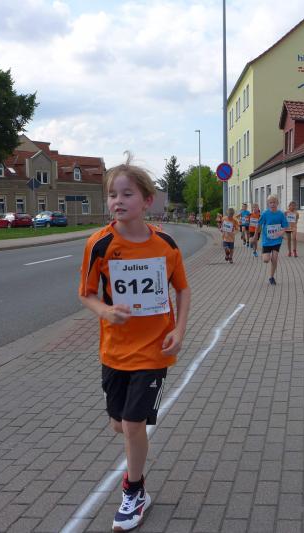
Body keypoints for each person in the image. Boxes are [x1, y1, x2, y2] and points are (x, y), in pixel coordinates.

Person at [79, 154, 191, 532]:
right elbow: (86, 294)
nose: (118, 201)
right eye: (113, 194)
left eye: (127, 194)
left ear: (147, 201)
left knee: (132, 423)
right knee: (119, 424)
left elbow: (183, 289)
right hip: (114, 351)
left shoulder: (166, 244)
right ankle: (136, 456)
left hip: (154, 350)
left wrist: (180, 331)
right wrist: (105, 311)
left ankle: (134, 490)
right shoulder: (99, 244)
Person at [255, 195, 288, 285]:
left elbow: (285, 226)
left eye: (274, 202)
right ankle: (265, 254)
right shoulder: (265, 214)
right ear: (268, 204)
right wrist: (255, 236)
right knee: (266, 260)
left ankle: (271, 277)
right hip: (267, 240)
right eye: (271, 202)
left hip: (277, 240)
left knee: (274, 258)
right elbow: (259, 224)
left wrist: (281, 232)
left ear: (277, 203)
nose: (272, 204)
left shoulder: (280, 214)